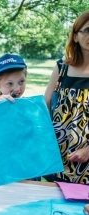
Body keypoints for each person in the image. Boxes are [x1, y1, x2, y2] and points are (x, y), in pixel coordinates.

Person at [44, 10, 89, 185]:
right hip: (56, 154)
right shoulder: (61, 68)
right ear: (75, 36)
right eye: (87, 30)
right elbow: (44, 105)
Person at [0, 53, 34, 178]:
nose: (17, 88)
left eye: (21, 82)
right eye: (10, 84)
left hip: (22, 168)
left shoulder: (29, 107)